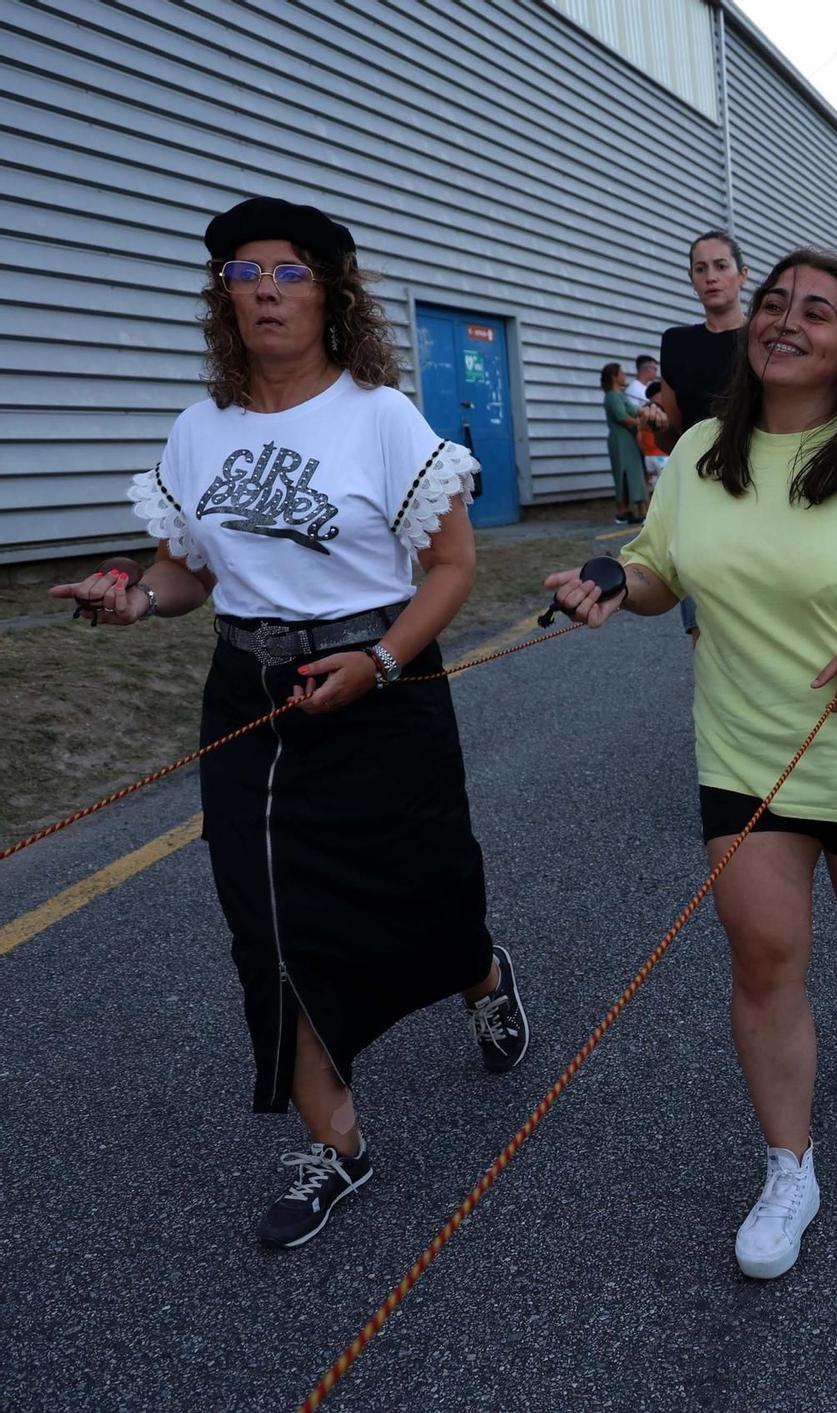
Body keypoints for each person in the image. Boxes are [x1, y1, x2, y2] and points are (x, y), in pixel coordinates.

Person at [54, 196, 528, 1250]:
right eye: (243, 275)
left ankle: (481, 973)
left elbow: (449, 569)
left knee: (429, 882)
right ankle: (338, 1144)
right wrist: (132, 598)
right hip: (251, 693)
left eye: (288, 273)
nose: (263, 290)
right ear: (222, 300)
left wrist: (383, 660)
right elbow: (188, 573)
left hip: (382, 679)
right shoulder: (198, 428)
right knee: (265, 920)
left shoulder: (380, 417)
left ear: (330, 294)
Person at [547, 248, 837, 1281]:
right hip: (746, 753)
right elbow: (663, 570)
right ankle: (788, 1165)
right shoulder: (702, 446)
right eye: (775, 306)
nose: (787, 322)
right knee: (764, 956)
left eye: (816, 313)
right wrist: (615, 581)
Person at [659, 230, 753, 636]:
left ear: (742, 274)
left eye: (721, 266)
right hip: (699, 494)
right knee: (703, 629)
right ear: (691, 279)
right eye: (701, 269)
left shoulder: (766, 339)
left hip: (761, 492)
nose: (711, 277)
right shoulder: (677, 343)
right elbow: (674, 434)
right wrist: (657, 429)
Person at [602, 361, 648, 524]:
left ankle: (634, 509)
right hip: (620, 440)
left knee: (634, 472)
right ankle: (623, 510)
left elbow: (635, 410)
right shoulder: (612, 397)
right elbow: (623, 417)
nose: (624, 377)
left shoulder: (621, 395)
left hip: (629, 439)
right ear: (614, 377)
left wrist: (647, 411)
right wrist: (642, 424)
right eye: (622, 374)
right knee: (623, 473)